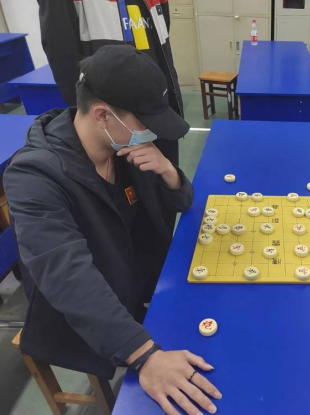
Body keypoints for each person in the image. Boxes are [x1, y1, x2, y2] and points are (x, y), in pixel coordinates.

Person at [5, 46, 222, 415]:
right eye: (143, 122)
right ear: (103, 115)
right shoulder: (34, 177)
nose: (151, 132)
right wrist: (146, 357)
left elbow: (184, 203)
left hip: (143, 283)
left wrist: (169, 172)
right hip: (86, 313)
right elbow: (68, 278)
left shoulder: (124, 146)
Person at [37, 0, 183, 231]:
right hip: (114, 120)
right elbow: (62, 55)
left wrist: (168, 166)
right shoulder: (41, 177)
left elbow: (161, 44)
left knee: (158, 206)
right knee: (121, 213)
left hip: (154, 111)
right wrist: (96, 128)